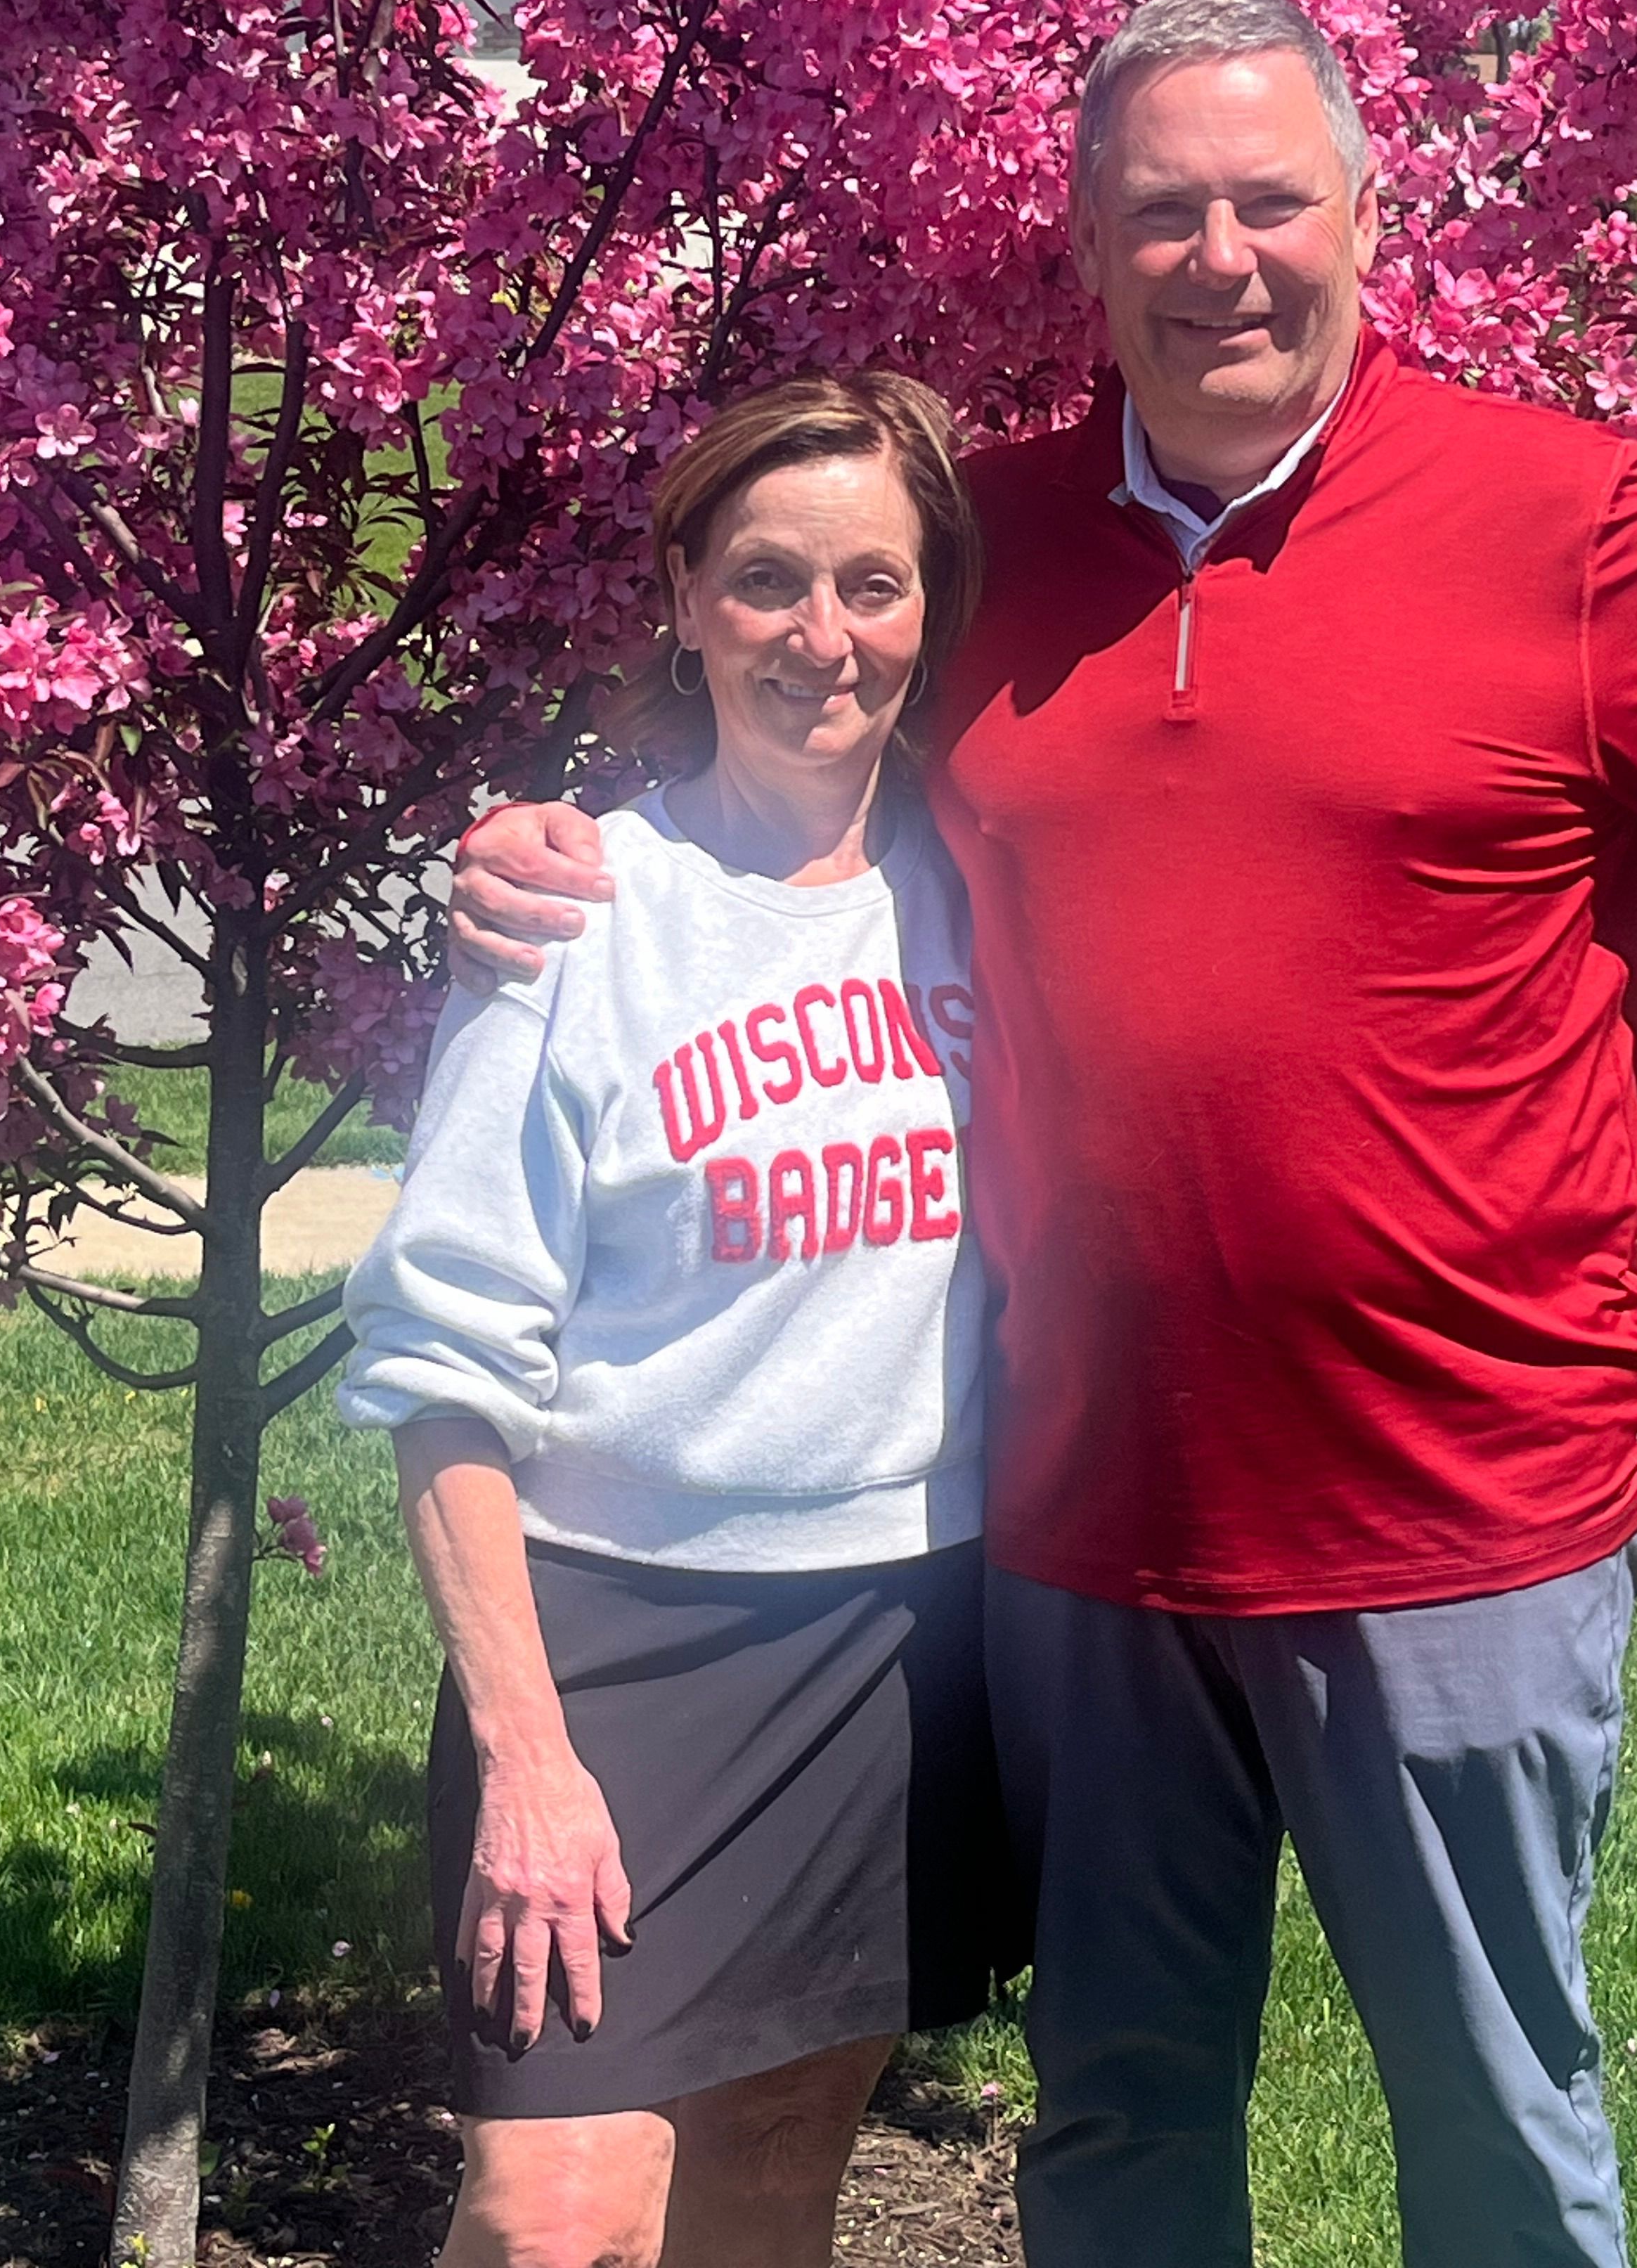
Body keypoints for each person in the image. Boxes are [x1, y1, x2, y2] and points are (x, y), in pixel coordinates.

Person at [446, 0, 1637, 2268]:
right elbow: (788, 751)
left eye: (1271, 200)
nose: (1221, 256)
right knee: (1124, 2123)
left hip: (1462, 1499)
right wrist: (549, 850)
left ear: (1368, 214)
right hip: (1088, 1522)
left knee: (1491, 2115)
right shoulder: (990, 555)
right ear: (1085, 244)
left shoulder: (1569, 521)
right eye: (1164, 211)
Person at [338, 370, 1013, 2268]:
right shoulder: (576, 917)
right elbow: (441, 1365)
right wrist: (528, 1755)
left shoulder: (988, 889)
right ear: (687, 596)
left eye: (873, 586)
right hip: (612, 1644)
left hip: (910, 1624)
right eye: (771, 582)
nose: (825, 638)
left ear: (930, 609)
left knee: (790, 2140)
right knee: (555, 2207)